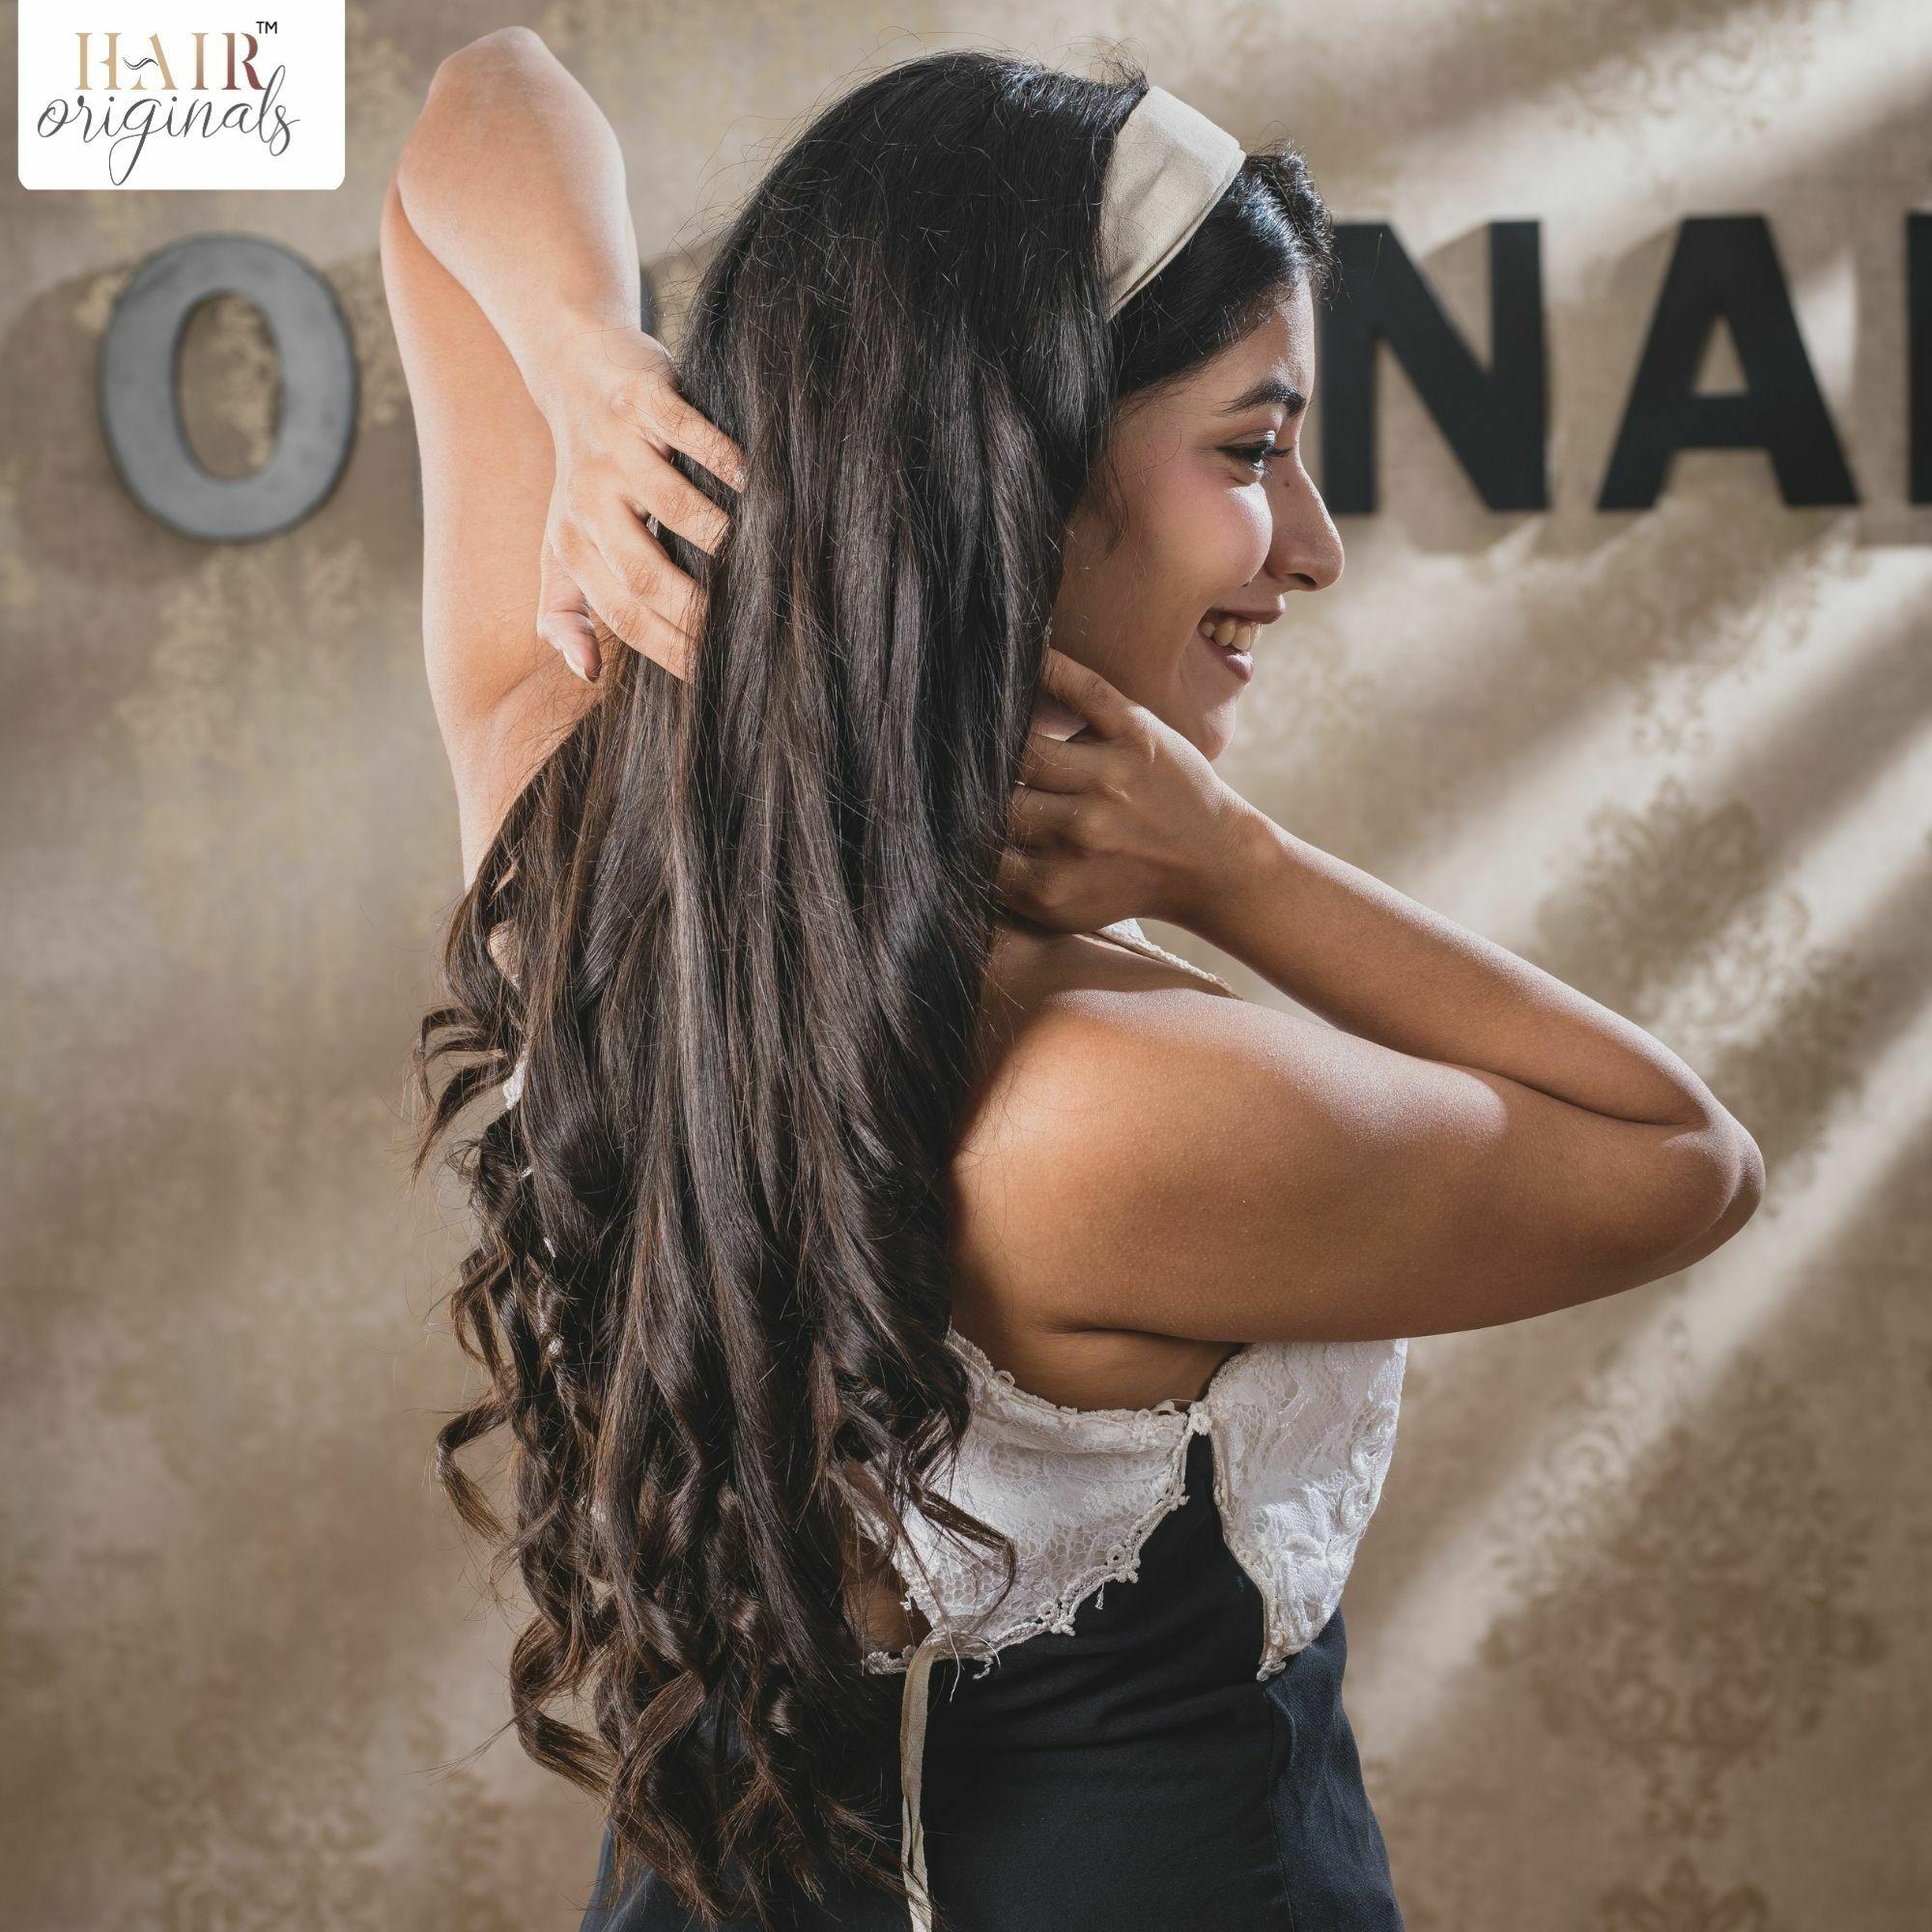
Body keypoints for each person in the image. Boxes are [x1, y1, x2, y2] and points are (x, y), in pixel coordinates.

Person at [383, 30, 1765, 1932]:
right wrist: (1237, 871)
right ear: (1007, 468)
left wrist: (583, 368)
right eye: (1252, 450)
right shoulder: (1108, 1106)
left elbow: (475, 107)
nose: (1312, 546)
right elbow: (1687, 1159)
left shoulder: (574, 857)